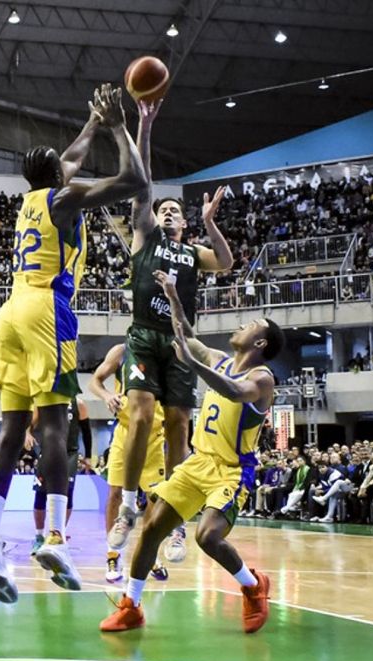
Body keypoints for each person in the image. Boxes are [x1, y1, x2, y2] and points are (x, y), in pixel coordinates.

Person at [0, 83, 148, 603]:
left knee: (11, 428)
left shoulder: (30, 200)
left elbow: (69, 156)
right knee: (56, 428)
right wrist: (116, 125)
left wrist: (90, 122)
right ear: (59, 177)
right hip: (48, 308)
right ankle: (57, 538)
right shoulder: (66, 197)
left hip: (11, 312)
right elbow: (135, 179)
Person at [100, 271, 283, 634]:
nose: (242, 325)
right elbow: (184, 331)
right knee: (152, 529)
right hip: (197, 462)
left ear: (259, 342)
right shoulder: (217, 357)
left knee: (207, 536)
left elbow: (234, 390)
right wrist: (171, 294)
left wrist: (191, 362)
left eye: (250, 324)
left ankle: (252, 586)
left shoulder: (263, 379)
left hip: (232, 470)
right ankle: (131, 605)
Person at [107, 96, 234, 552]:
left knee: (179, 422)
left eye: (174, 212)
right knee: (140, 415)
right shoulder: (145, 236)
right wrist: (144, 126)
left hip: (180, 342)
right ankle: (126, 505)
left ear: (183, 222)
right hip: (142, 335)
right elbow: (142, 183)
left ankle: (176, 519)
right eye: (163, 210)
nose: (167, 213)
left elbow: (225, 260)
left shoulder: (193, 252)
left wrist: (209, 221)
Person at [87, 343, 176, 584]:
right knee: (115, 493)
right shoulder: (121, 352)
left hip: (155, 437)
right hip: (125, 432)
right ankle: (113, 554)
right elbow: (95, 381)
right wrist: (107, 395)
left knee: (154, 499)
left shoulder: (168, 353)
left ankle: (150, 553)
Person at [26, 398, 92, 556]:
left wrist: (88, 456)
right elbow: (31, 422)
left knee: (67, 494)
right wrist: (27, 433)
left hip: (70, 453)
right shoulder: (45, 400)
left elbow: (86, 431)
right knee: (40, 494)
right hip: (47, 450)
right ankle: (39, 536)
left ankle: (58, 534)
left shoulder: (79, 404)